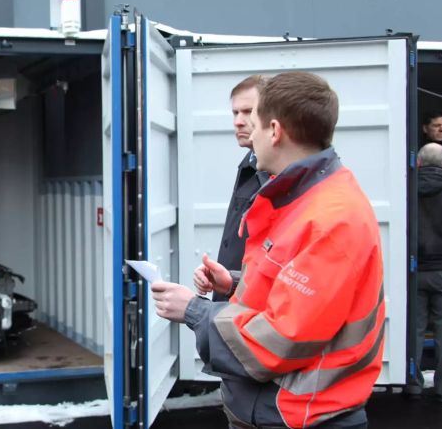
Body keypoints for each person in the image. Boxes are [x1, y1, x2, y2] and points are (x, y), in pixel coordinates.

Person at [152, 72, 385, 428]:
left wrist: (195, 311)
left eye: (254, 123)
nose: (247, 132)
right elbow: (294, 287)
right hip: (274, 412)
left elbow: (279, 340)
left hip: (302, 417)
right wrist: (232, 284)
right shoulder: (301, 197)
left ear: (275, 131)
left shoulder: (331, 217)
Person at [214, 75, 268, 302]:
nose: (238, 121)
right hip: (233, 302)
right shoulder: (251, 162)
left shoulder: (278, 173)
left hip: (251, 311)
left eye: (248, 111)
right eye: (235, 113)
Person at [415, 142, 442, 403]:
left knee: (416, 328)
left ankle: (412, 385)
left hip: (415, 270)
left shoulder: (409, 189)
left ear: (420, 163)